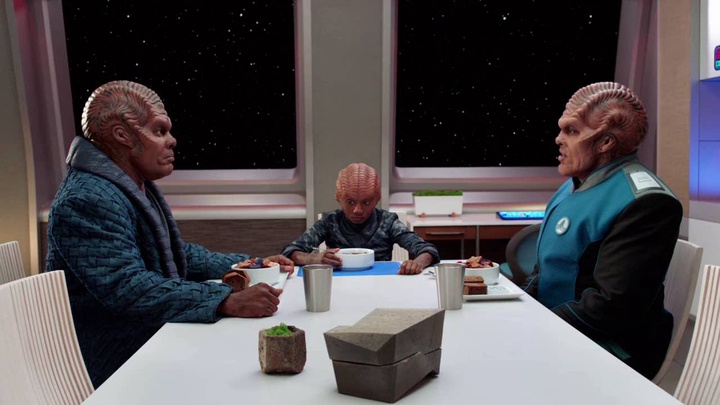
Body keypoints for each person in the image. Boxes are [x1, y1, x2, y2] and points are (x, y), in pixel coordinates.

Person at [45, 80, 294, 387]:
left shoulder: (126, 184)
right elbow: (128, 287)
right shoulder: (86, 200)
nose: (172, 141)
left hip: (145, 340)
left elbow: (176, 254)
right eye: (159, 131)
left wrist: (252, 265)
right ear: (122, 135)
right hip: (113, 362)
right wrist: (224, 300)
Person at [524, 82, 682, 379]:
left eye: (571, 131)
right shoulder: (572, 186)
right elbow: (545, 270)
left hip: (611, 351)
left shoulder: (647, 202)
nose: (558, 139)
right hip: (563, 332)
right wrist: (519, 307)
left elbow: (614, 307)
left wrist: (535, 326)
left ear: (606, 142)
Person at [281, 163, 440, 275]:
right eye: (350, 202)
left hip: (380, 285)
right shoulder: (330, 221)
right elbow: (290, 251)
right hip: (338, 287)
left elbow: (427, 250)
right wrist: (313, 258)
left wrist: (417, 263)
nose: (358, 210)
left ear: (377, 199)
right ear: (338, 198)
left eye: (366, 202)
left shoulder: (387, 221)